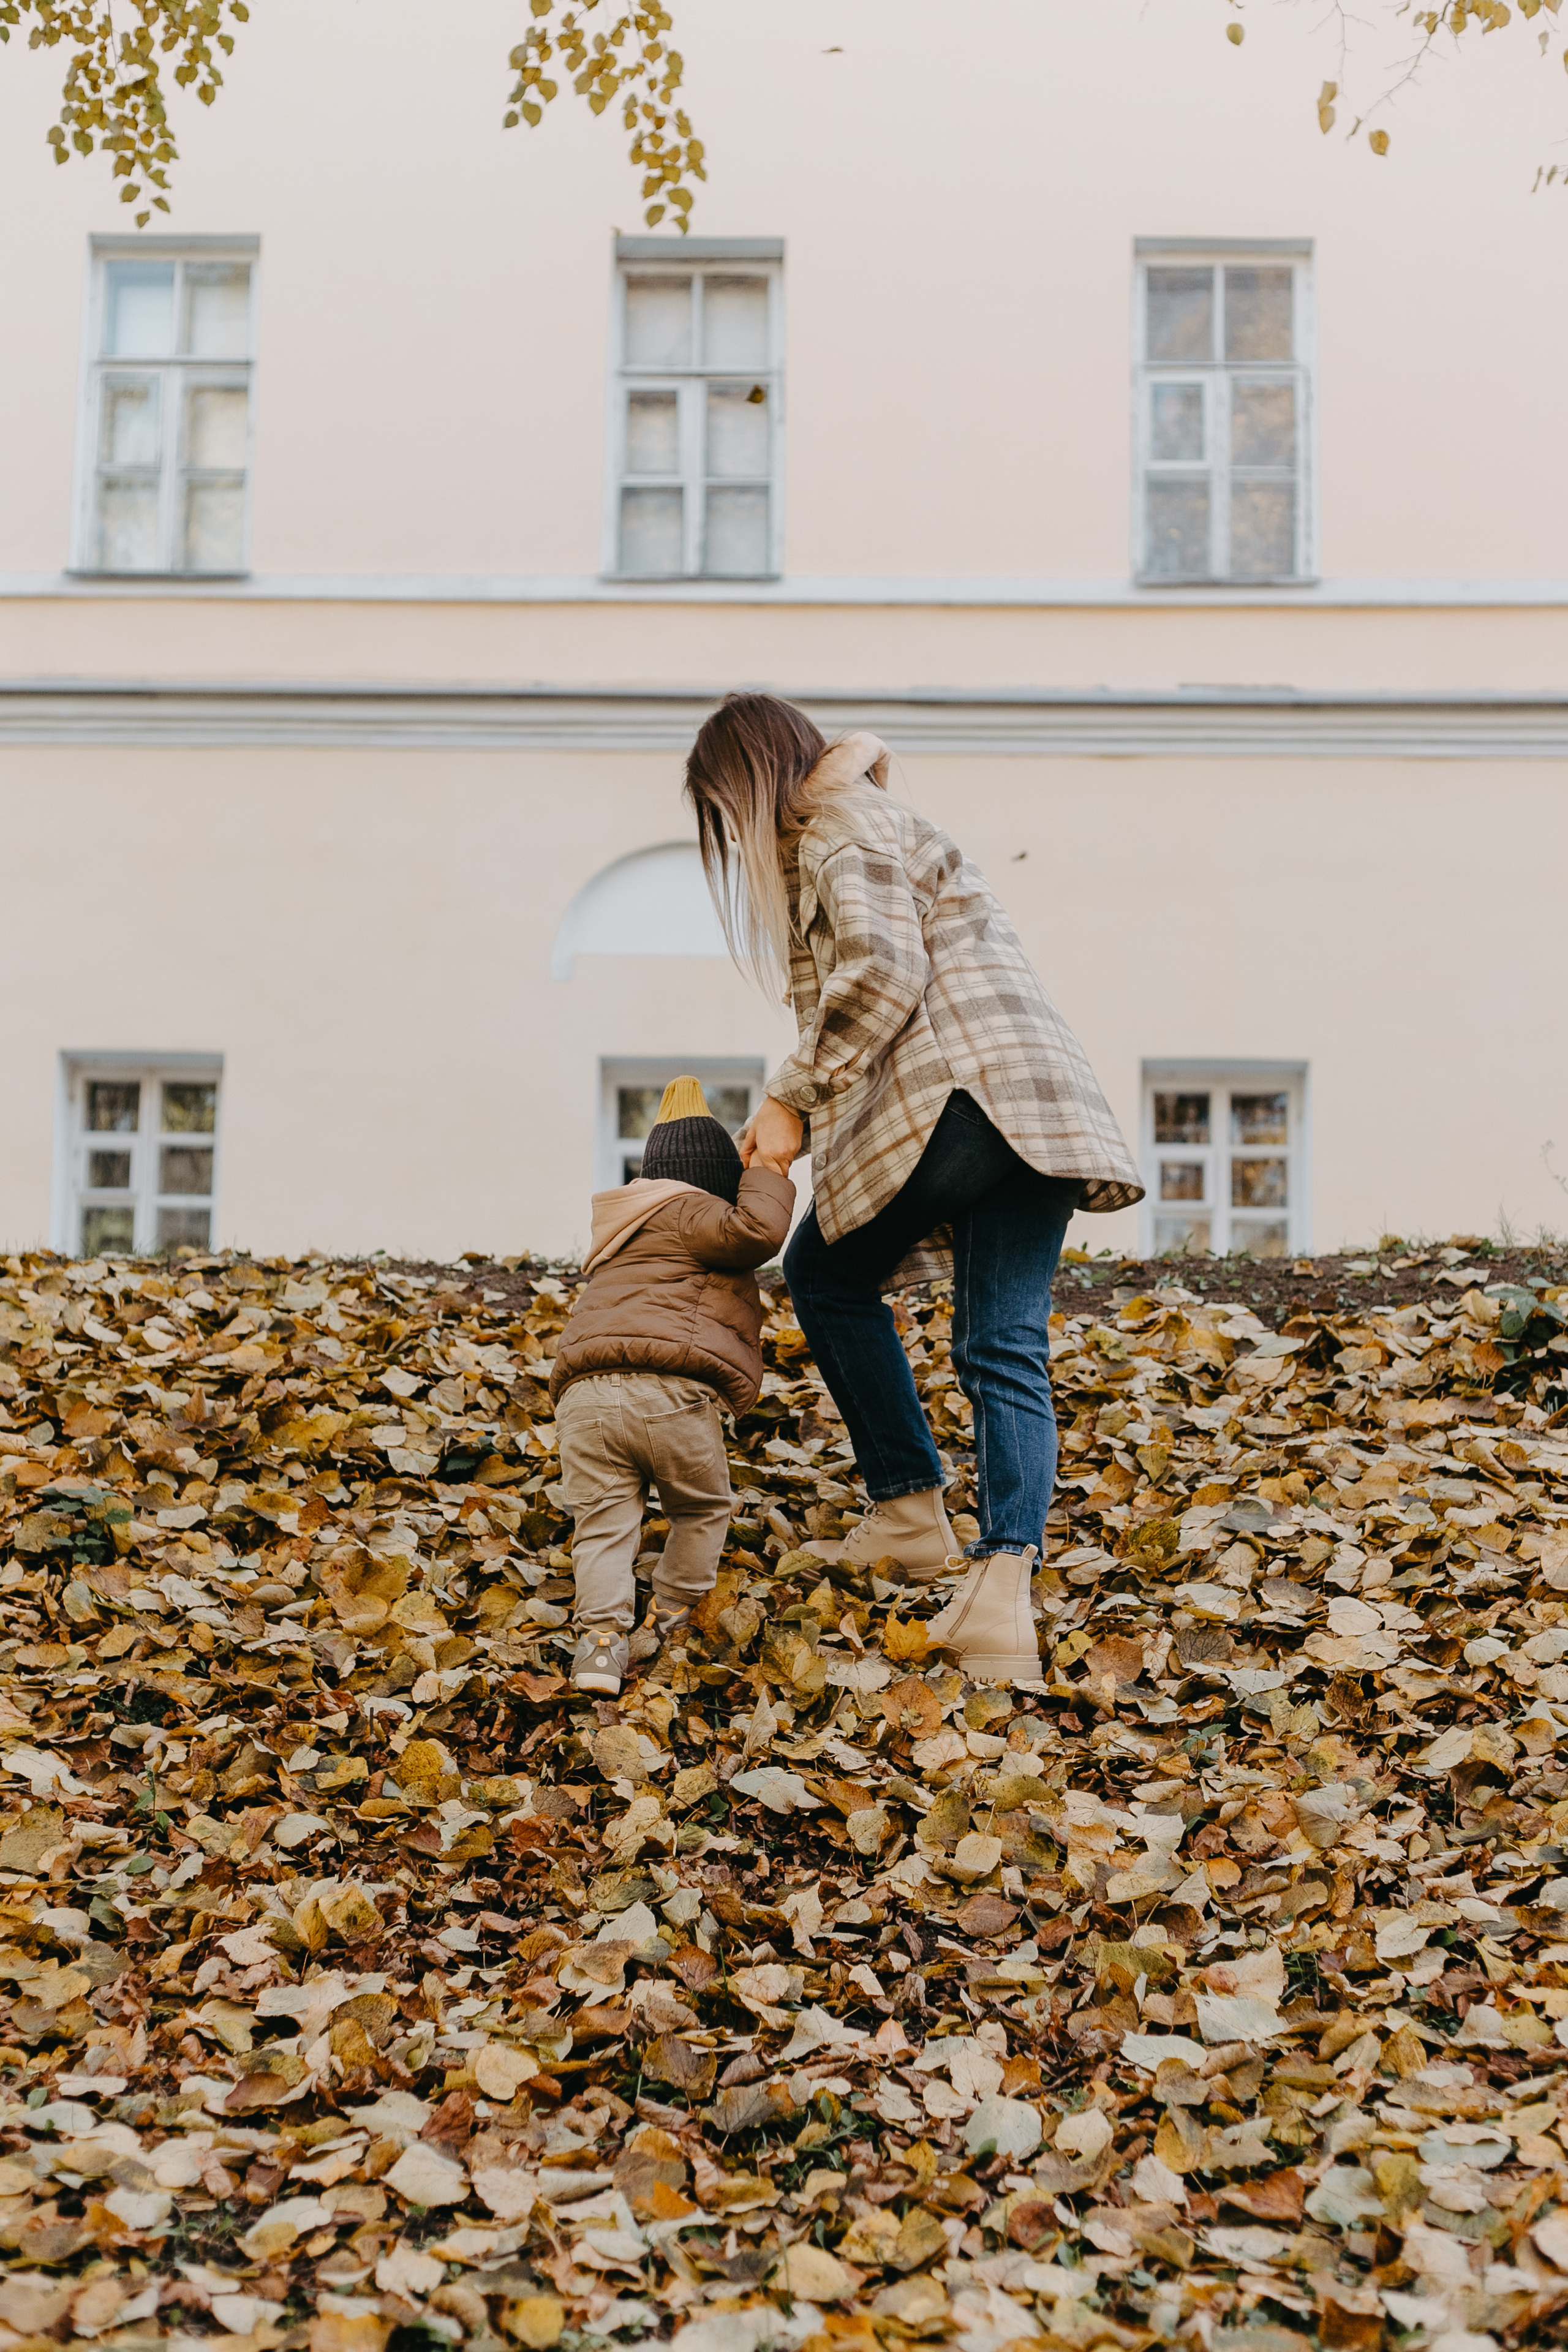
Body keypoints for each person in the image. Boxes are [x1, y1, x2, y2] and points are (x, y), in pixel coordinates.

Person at [684, 694, 1143, 1686]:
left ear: (750, 782)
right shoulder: (873, 817)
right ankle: (1000, 1592)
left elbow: (883, 972)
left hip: (967, 1094)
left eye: (726, 815)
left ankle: (907, 1510)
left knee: (827, 1274)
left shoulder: (839, 826)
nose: (735, 839)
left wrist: (789, 1100)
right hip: (1036, 1095)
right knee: (1002, 1342)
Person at [551, 1076, 795, 1695]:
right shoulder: (690, 1210)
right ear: (711, 1179)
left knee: (603, 1523)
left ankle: (600, 1646)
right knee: (700, 1507)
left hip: (583, 1400)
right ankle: (669, 1617)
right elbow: (757, 1233)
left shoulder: (621, 1235)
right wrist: (768, 1167)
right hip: (666, 1392)